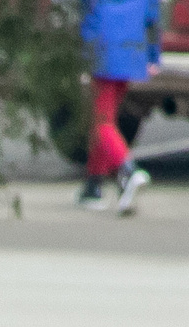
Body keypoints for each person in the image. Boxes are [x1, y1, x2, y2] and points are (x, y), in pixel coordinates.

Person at [77, 0, 157, 214]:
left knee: (102, 123)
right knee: (105, 119)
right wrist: (153, 57)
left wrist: (83, 55)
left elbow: (89, 15)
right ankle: (93, 185)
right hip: (132, 51)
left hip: (104, 51)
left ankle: (128, 170)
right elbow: (152, 19)